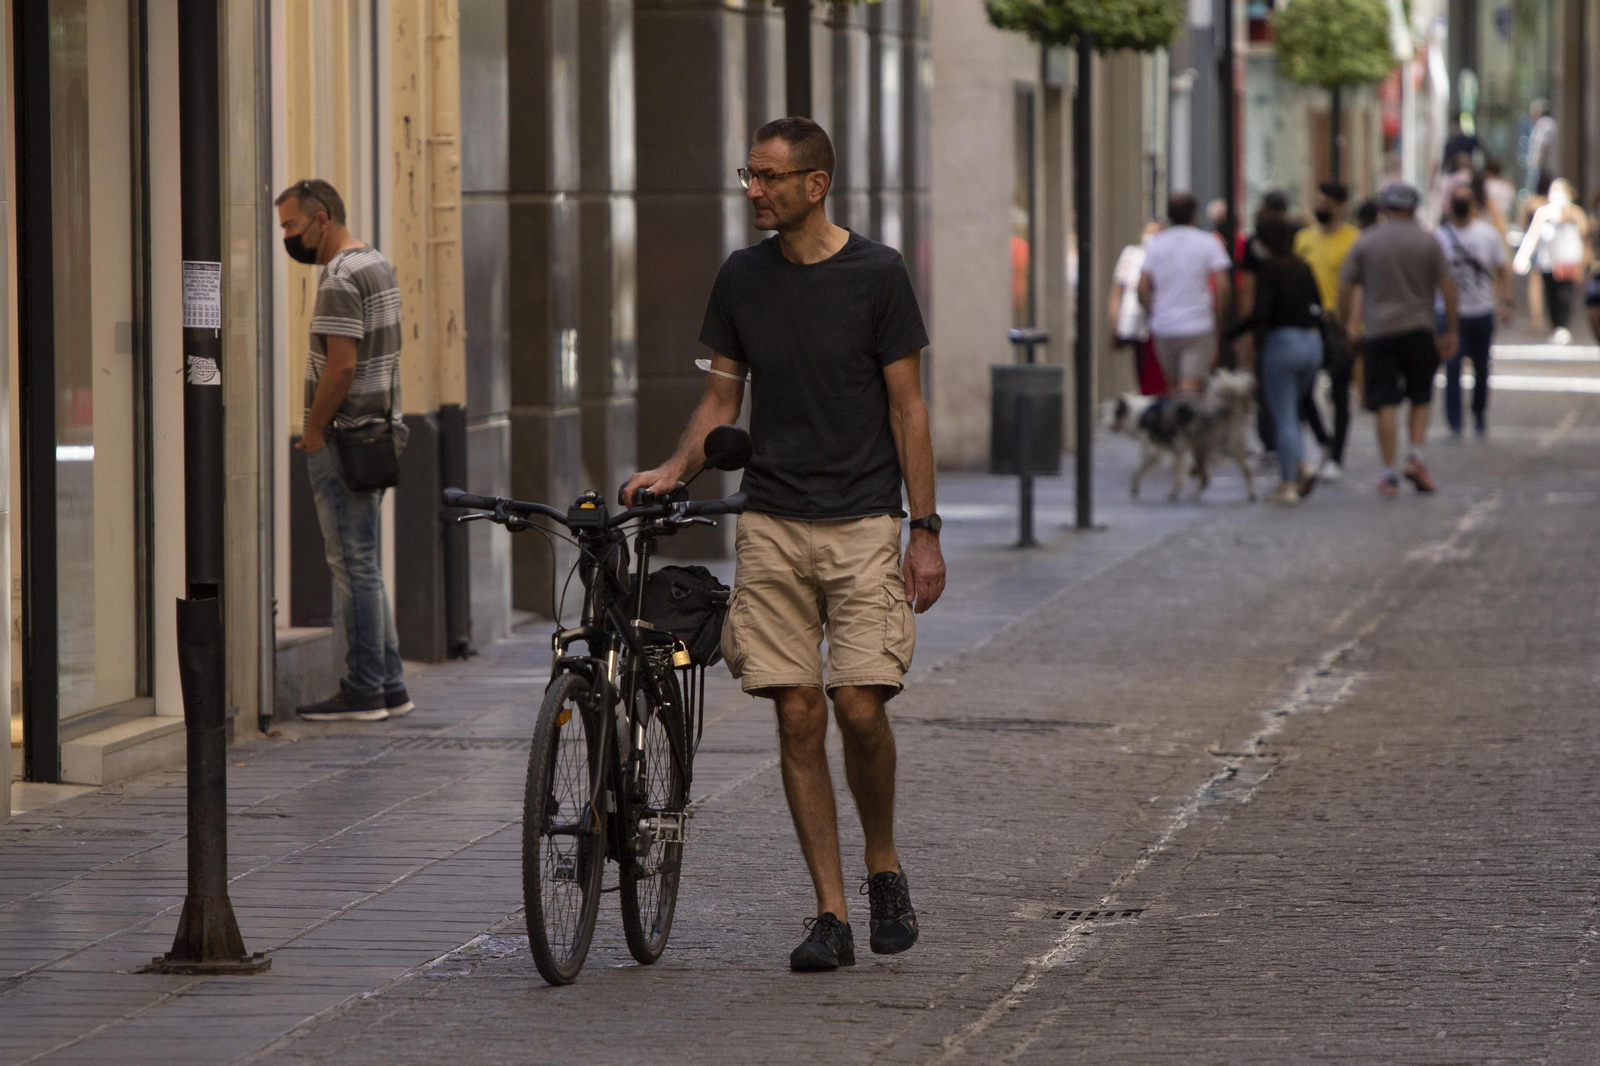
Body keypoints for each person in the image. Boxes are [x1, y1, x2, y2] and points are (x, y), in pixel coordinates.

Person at [623, 117, 942, 974]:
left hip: (866, 521)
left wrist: (926, 530)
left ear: (815, 184)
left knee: (858, 706)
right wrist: (672, 470)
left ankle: (882, 864)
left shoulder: (878, 274)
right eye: (748, 175)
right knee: (797, 711)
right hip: (771, 520)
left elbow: (909, 408)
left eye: (768, 177)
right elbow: (721, 402)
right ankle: (830, 914)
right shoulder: (742, 278)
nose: (754, 190)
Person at [275, 179, 411, 722]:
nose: (287, 236)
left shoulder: (338, 276)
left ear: (321, 219)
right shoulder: (375, 263)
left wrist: (312, 431)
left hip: (346, 435)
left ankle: (363, 689)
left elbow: (342, 364)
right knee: (366, 563)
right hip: (378, 431)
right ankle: (391, 682)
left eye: (290, 225)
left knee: (352, 564)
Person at [1339, 183, 1458, 498]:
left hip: (1378, 332)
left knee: (1385, 403)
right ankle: (1416, 455)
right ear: (1415, 209)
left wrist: (1346, 322)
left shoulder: (1366, 241)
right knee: (1420, 396)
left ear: (1383, 209)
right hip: (1419, 328)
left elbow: (1346, 285)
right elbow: (1447, 286)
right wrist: (1451, 329)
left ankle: (1388, 472)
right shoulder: (1429, 242)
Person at [1229, 216, 1324, 504]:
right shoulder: (1302, 266)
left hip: (1282, 345)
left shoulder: (1269, 269)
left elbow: (1260, 314)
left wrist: (1236, 335)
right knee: (1292, 412)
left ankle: (1287, 483)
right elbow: (1317, 304)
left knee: (1283, 415)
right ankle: (1300, 465)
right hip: (1311, 344)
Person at [1294, 181, 1361, 480]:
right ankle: (1324, 438)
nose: (1320, 206)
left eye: (1326, 202)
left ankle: (1336, 456)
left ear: (1340, 207)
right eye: (1317, 201)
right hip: (1307, 323)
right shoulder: (1303, 238)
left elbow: (1360, 286)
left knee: (1339, 391)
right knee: (1302, 390)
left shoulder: (1353, 240)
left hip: (1338, 323)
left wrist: (1352, 324)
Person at [1436, 183, 1511, 437]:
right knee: (1452, 368)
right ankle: (1454, 421)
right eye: (1456, 198)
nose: (1460, 203)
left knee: (1481, 367)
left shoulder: (1487, 234)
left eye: (1464, 199)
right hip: (1449, 314)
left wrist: (1505, 302)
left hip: (1481, 311)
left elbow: (1503, 268)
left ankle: (1479, 413)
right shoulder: (1439, 236)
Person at [1139, 191, 1233, 393]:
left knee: (1173, 387)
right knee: (1191, 388)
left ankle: (1177, 422)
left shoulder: (1156, 244)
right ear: (1194, 214)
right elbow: (1223, 284)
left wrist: (1153, 311)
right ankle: (1187, 423)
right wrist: (1217, 316)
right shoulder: (1208, 242)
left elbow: (1143, 286)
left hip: (1164, 326)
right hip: (1197, 324)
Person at [1514, 178, 1589, 344]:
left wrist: (1585, 262)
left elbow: (1584, 237)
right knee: (1551, 295)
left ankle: (1562, 326)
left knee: (1565, 295)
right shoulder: (1543, 212)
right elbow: (1533, 235)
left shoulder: (1576, 213)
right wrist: (1523, 256)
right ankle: (1556, 325)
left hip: (1569, 261)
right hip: (1548, 262)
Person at [1110, 221, 1165, 393]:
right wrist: (1114, 322)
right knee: (1142, 364)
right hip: (1135, 319)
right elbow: (1118, 289)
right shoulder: (1131, 254)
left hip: (1159, 322)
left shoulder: (1164, 256)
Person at [1526, 100, 1558, 191]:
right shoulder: (1545, 124)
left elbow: (1542, 146)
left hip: (1543, 168)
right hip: (1542, 167)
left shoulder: (1544, 124)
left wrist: (1540, 166)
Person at [1483, 158, 1516, 235]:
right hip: (1504, 224)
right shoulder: (1508, 187)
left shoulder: (1486, 185)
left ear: (1487, 171)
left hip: (1488, 223)